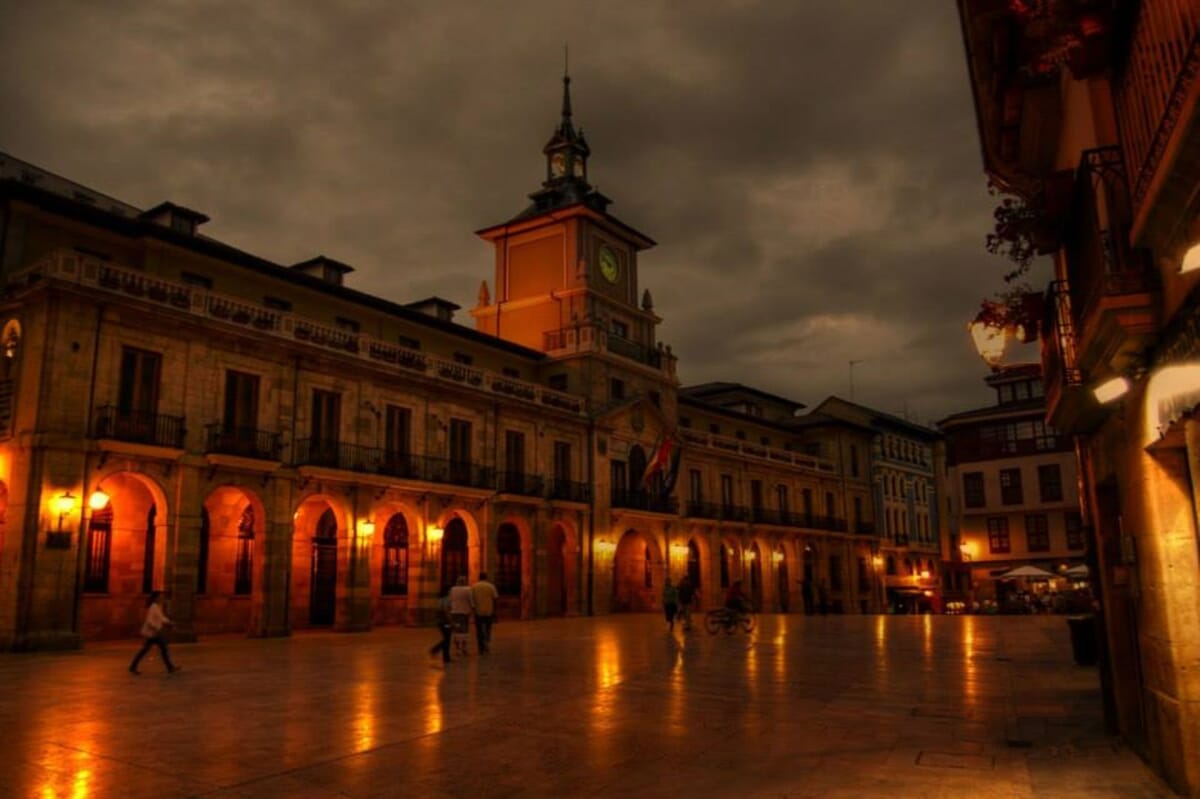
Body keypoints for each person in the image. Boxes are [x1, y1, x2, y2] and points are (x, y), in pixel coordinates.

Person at [129, 591, 180, 675]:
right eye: (160, 596)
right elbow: (150, 621)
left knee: (147, 650)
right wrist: (156, 628)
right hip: (154, 633)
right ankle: (170, 667)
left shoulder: (156, 607)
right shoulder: (154, 607)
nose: (162, 598)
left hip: (154, 633)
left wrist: (169, 623)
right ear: (156, 598)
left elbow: (161, 618)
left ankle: (133, 666)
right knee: (162, 649)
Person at [470, 572, 499, 654]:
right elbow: (495, 598)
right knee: (488, 629)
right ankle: (486, 643)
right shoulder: (491, 586)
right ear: (486, 577)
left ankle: (481, 648)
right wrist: (495, 611)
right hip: (489, 611)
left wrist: (473, 610)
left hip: (478, 612)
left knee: (479, 631)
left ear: (479, 577)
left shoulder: (474, 587)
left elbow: (472, 600)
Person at [448, 575, 473, 657]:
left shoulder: (452, 589)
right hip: (464, 612)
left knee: (457, 630)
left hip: (455, 612)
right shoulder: (468, 589)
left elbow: (450, 600)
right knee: (464, 630)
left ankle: (458, 648)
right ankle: (464, 648)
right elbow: (471, 601)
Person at [428, 586, 453, 665]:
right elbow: (446, 611)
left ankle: (446, 658)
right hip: (446, 622)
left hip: (440, 622)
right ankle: (435, 650)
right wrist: (451, 621)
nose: (450, 592)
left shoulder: (440, 600)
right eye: (449, 590)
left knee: (447, 639)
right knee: (447, 639)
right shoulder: (447, 600)